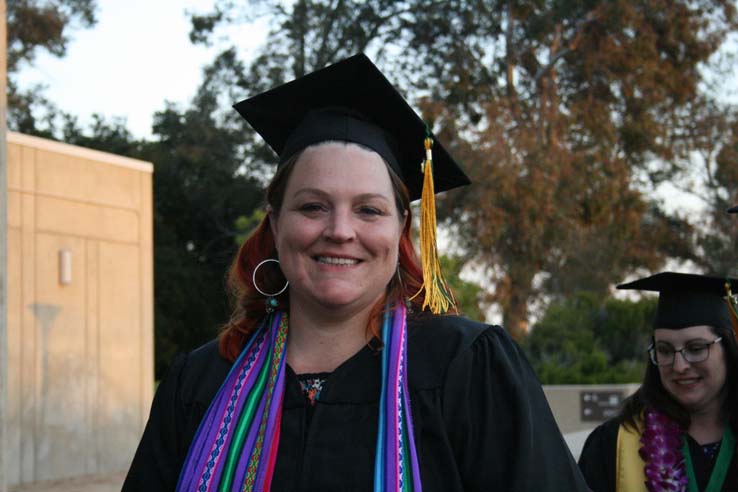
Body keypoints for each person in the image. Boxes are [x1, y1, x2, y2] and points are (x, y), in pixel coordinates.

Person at [123, 53, 588, 492]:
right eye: (312, 206)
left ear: (401, 227)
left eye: (368, 209)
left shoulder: (466, 369)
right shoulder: (201, 382)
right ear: (275, 220)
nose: (340, 231)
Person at [578, 272, 738, 492]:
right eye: (664, 350)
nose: (679, 366)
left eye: (696, 348)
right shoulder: (613, 444)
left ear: (728, 349)